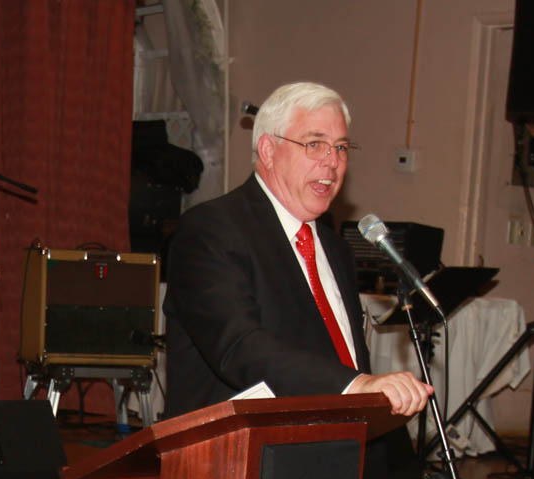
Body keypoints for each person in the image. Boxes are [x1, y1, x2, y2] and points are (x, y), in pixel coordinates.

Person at [162, 81, 432, 421]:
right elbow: (239, 347)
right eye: (315, 144)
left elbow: (347, 357)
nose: (332, 162)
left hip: (341, 448)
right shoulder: (211, 231)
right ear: (268, 150)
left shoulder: (335, 248)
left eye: (341, 148)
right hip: (244, 457)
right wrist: (354, 386)